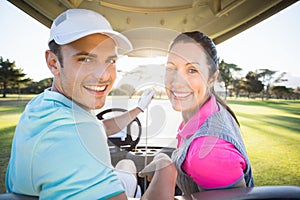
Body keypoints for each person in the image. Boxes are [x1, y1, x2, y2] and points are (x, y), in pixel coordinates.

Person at [5, 9, 177, 199]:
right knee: (140, 166)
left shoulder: (44, 105)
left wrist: (139, 109)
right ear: (54, 62)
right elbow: (83, 132)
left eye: (110, 60)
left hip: (97, 184)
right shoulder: (76, 134)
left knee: (126, 164)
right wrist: (166, 171)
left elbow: (100, 127)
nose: (103, 75)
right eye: (85, 59)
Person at [164, 31, 254, 195]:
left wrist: (163, 176)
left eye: (192, 70)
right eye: (171, 68)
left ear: (212, 78)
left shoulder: (208, 153)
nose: (177, 81)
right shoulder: (210, 110)